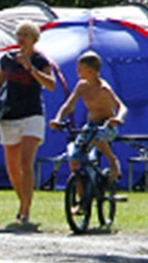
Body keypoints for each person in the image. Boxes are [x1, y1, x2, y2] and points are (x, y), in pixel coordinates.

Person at [0, 21, 56, 225]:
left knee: (25, 162)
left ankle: (26, 210)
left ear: (34, 39)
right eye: (19, 34)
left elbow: (51, 85)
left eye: (26, 35)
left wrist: (31, 69)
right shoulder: (7, 59)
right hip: (9, 115)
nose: (21, 38)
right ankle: (23, 202)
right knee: (12, 168)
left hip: (32, 114)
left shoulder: (40, 59)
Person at [49, 50, 127, 182]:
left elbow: (121, 107)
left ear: (90, 71)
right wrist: (58, 119)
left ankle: (112, 160)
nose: (77, 71)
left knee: (96, 137)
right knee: (74, 157)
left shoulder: (103, 89)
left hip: (106, 126)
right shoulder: (82, 86)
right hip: (90, 126)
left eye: (80, 69)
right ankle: (80, 191)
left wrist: (118, 118)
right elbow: (69, 105)